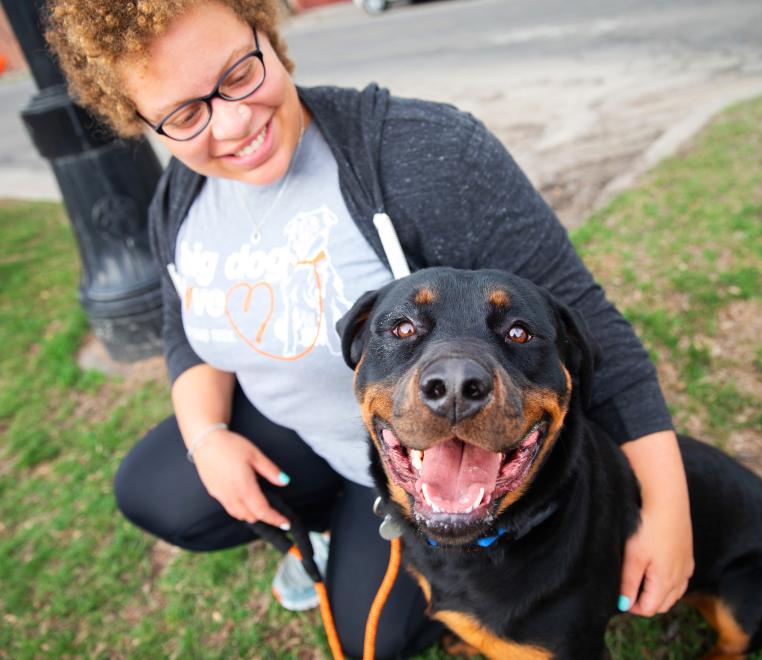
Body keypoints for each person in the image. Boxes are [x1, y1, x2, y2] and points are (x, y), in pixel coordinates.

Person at [45, 1, 694, 656]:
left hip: (429, 450)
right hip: (315, 436)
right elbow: (184, 324)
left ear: (266, 33)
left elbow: (597, 338)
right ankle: (324, 526)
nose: (235, 121)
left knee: (370, 645)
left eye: (240, 73)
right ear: (143, 122)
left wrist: (666, 512)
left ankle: (370, 520)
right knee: (161, 488)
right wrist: (208, 438)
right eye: (185, 115)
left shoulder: (424, 151)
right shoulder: (181, 197)